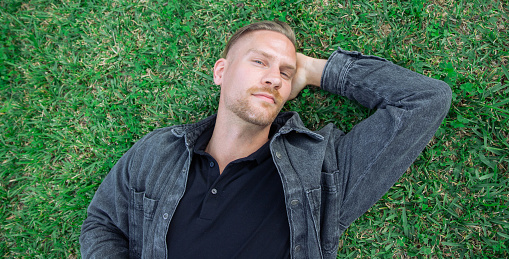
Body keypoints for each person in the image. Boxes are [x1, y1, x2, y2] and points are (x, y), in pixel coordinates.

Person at [80, 20, 451, 259]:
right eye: (259, 62)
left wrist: (316, 69)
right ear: (221, 71)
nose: (275, 77)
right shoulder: (160, 151)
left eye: (285, 72)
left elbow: (423, 100)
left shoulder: (320, 171)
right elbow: (103, 221)